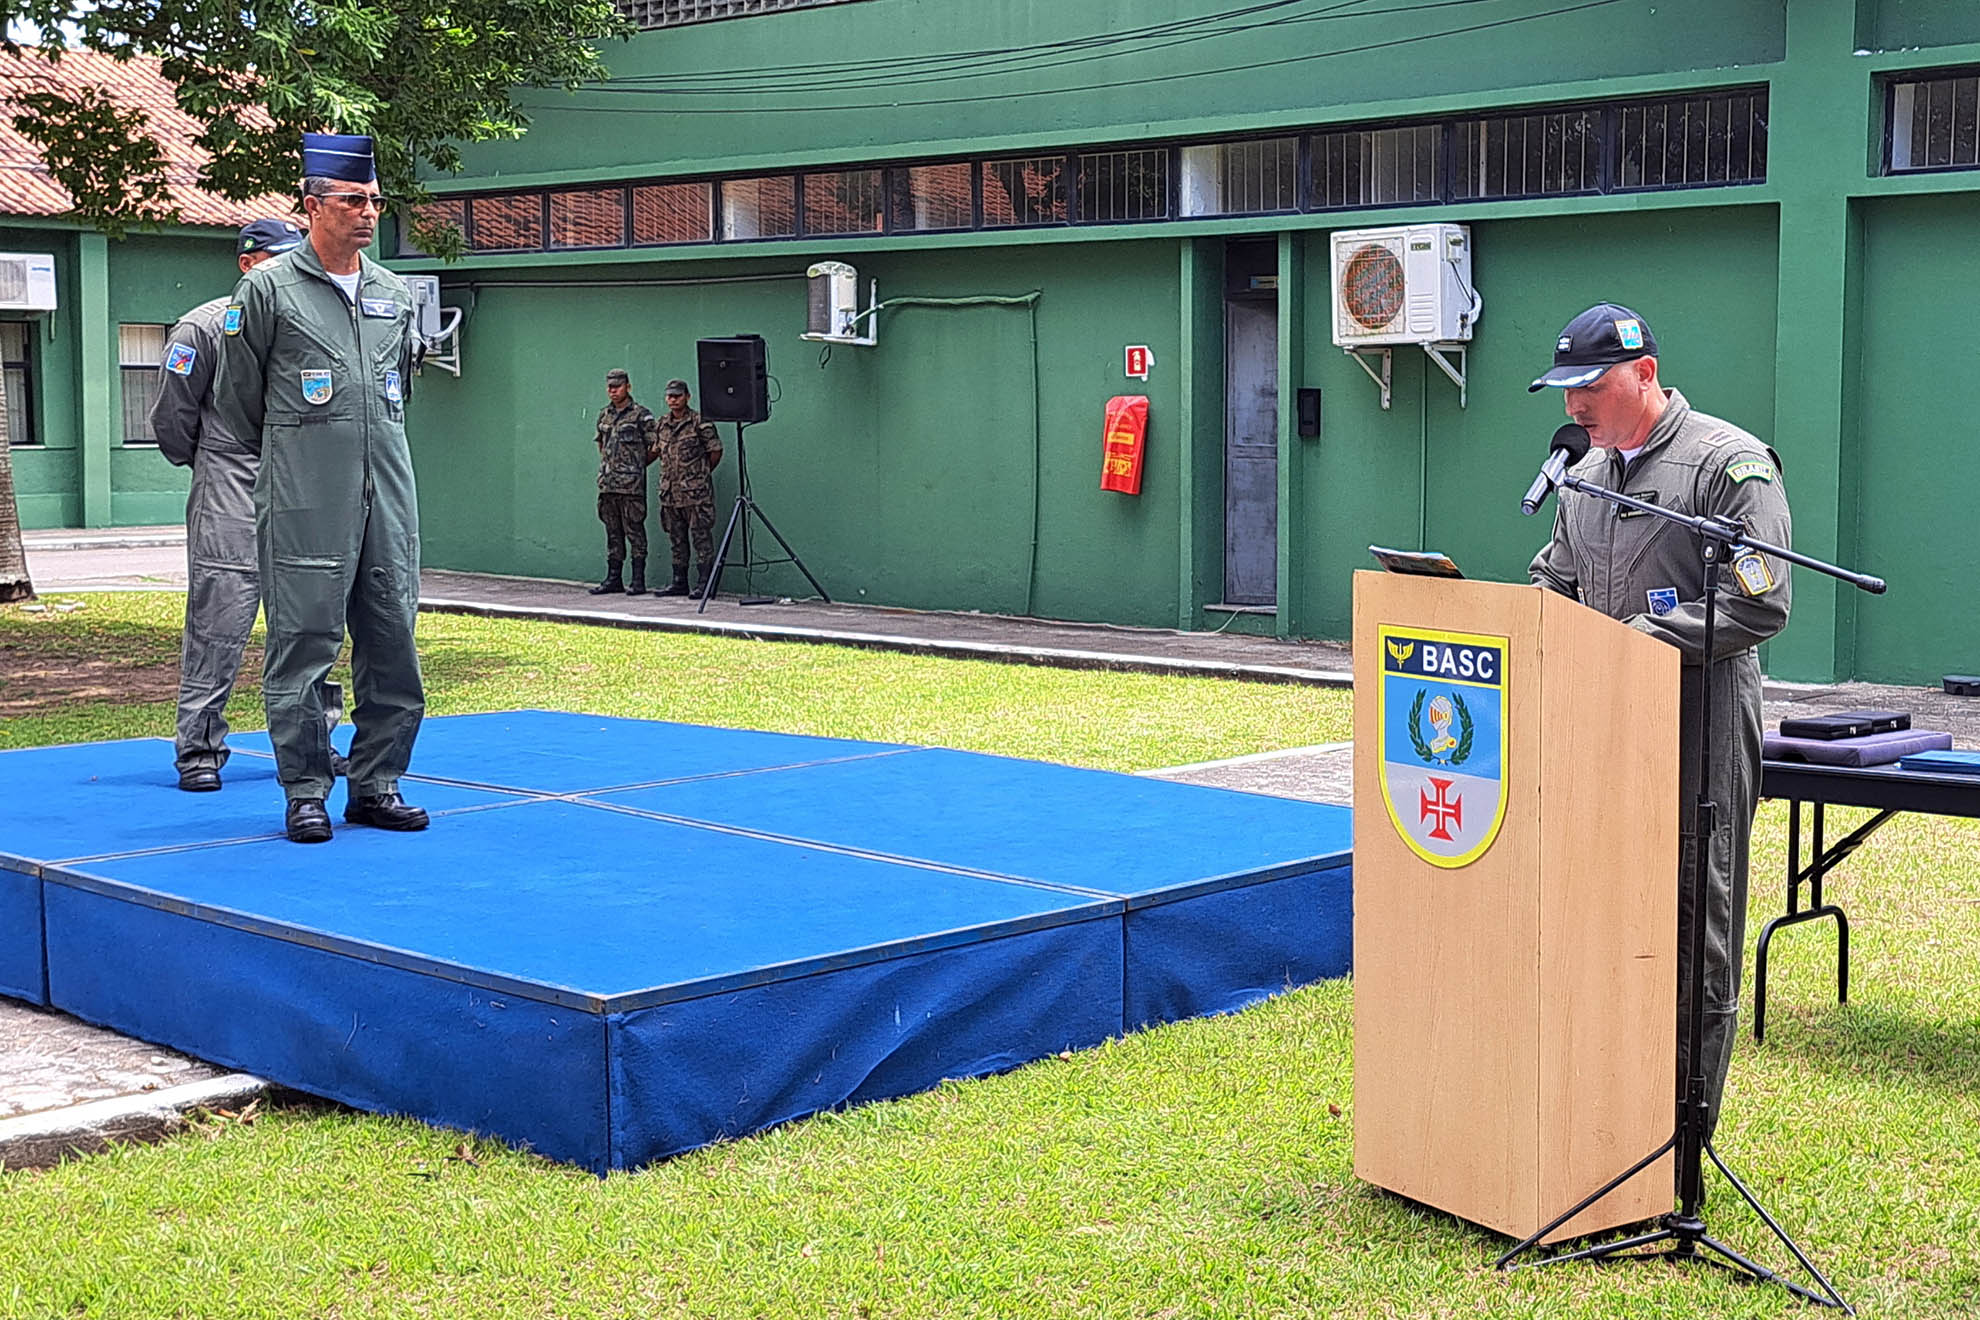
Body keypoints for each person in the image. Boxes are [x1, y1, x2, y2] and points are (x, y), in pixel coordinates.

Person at [1527, 303, 1792, 1147]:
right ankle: (1602, 1106)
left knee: (1690, 912)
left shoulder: (1727, 466)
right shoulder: (1585, 475)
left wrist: (1636, 644)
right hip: (1598, 723)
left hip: (1699, 720)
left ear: (1644, 375)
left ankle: (1682, 1133)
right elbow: (1555, 580)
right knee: (1601, 905)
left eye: (1591, 387)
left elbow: (1762, 601)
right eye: (1564, 391)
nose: (1575, 408)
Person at [213, 132, 427, 845]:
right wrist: (299, 463)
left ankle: (377, 783)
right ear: (312, 205)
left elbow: (396, 397)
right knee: (304, 645)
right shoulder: (267, 290)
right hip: (305, 503)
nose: (368, 213)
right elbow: (239, 402)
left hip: (387, 502)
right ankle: (305, 788)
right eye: (353, 200)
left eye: (374, 201)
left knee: (393, 642)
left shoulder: (394, 295)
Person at [151, 219, 350, 793]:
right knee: (220, 621)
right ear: (247, 264)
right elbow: (172, 419)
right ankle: (200, 749)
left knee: (312, 621)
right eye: (276, 261)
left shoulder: (312, 322)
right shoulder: (205, 327)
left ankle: (315, 742)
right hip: (230, 483)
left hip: (303, 486)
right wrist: (214, 462)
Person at [589, 368, 660, 596]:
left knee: (635, 531)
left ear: (628, 387)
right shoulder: (604, 415)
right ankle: (614, 578)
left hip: (631, 487)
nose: (613, 391)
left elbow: (655, 446)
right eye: (610, 387)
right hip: (608, 484)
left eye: (618, 386)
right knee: (612, 532)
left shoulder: (641, 415)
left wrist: (636, 466)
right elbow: (601, 443)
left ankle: (638, 580)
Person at [651, 378, 724, 597]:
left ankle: (704, 583)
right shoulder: (662, 424)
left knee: (701, 537)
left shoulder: (700, 422)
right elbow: (657, 451)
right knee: (676, 538)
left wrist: (699, 475)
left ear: (687, 397)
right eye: (669, 396)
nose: (672, 400)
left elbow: (715, 451)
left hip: (695, 494)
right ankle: (679, 581)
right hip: (670, 493)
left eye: (677, 396)